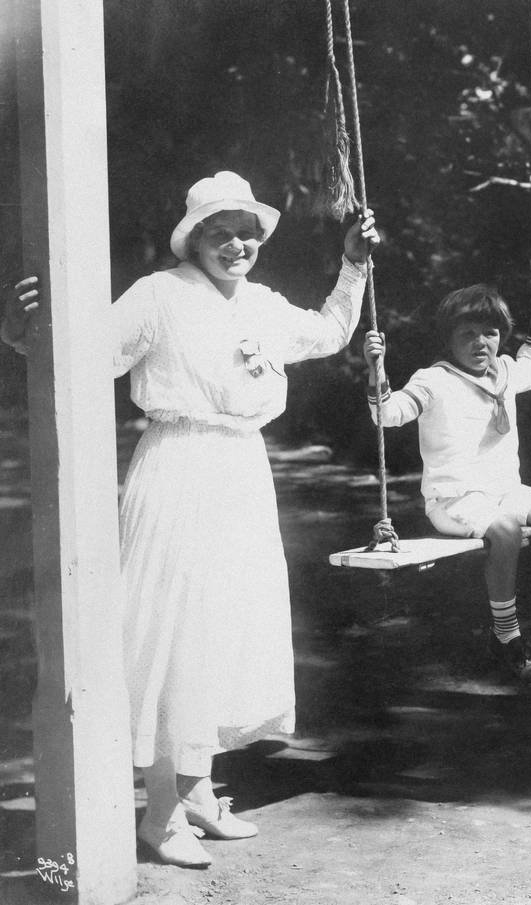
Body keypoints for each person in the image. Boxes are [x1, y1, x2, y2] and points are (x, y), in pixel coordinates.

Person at [2, 171, 379, 869]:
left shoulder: (262, 304)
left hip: (242, 470)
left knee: (228, 626)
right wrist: (19, 332)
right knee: (179, 631)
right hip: (178, 467)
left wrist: (353, 261)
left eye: (247, 232)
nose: (236, 244)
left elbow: (328, 332)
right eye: (220, 230)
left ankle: (200, 787)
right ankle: (160, 812)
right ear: (193, 237)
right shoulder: (159, 295)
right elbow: (86, 358)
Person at [363, 282, 531, 686]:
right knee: (505, 531)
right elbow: (389, 414)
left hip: (504, 491)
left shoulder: (505, 371)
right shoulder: (433, 380)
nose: (481, 343)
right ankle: (507, 637)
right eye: (467, 334)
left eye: (491, 333)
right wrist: (377, 371)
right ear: (449, 340)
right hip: (454, 499)